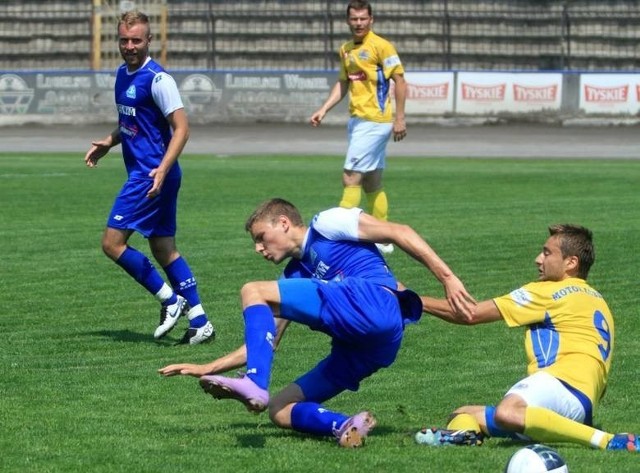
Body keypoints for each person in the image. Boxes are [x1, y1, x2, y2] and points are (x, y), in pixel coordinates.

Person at [159, 198, 474, 447]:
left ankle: (255, 382)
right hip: (373, 345)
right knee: (280, 409)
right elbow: (264, 344)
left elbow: (399, 231)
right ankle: (345, 426)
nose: (258, 248)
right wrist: (207, 368)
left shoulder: (326, 223)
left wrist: (447, 277)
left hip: (374, 300)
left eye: (261, 237)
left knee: (251, 290)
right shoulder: (294, 275)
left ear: (283, 223)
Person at [417, 224, 639, 452]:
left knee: (508, 412)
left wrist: (412, 300)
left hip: (560, 383)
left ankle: (607, 441)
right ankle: (467, 438)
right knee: (463, 414)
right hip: (583, 405)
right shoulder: (597, 299)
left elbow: (470, 313)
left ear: (571, 263)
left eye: (547, 253)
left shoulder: (548, 291)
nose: (537, 259)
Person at [83, 11, 214, 345]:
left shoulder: (158, 79)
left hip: (151, 175)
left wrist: (162, 169)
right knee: (164, 248)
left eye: (136, 40)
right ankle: (200, 321)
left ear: (149, 40)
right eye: (124, 40)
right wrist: (109, 143)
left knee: (112, 244)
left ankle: (171, 300)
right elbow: (132, 123)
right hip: (154, 174)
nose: (130, 46)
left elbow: (182, 129)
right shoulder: (122, 75)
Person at [309, 0, 407, 254]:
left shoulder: (382, 46)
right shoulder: (346, 49)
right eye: (354, 19)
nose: (359, 23)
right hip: (358, 121)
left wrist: (400, 118)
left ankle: (343, 236)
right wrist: (324, 108)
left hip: (375, 121)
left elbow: (400, 80)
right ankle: (384, 237)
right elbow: (343, 83)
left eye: (363, 18)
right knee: (372, 180)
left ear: (371, 19)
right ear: (348, 20)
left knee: (350, 176)